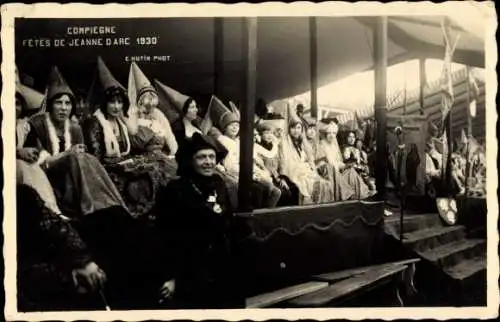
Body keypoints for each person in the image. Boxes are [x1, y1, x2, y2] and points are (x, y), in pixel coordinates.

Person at [154, 133, 247, 309]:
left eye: (211, 156)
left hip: (221, 265)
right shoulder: (176, 189)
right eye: (201, 157)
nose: (208, 162)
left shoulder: (218, 183)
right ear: (190, 161)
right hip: (190, 269)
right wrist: (171, 277)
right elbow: (165, 235)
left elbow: (227, 221)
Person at [84, 57, 177, 218]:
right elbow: (96, 159)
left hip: (125, 164)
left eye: (119, 102)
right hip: (106, 170)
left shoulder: (121, 121)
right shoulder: (95, 122)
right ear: (104, 102)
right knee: (139, 180)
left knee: (153, 172)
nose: (117, 106)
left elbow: (130, 144)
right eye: (112, 102)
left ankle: (153, 215)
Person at [17, 184, 107, 311]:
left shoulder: (21, 194)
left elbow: (56, 226)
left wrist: (84, 263)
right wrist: (65, 274)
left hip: (54, 266)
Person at [155, 80, 240, 208]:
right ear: (184, 109)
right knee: (228, 185)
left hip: (206, 164)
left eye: (196, 106)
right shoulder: (178, 127)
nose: (196, 110)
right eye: (192, 107)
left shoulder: (197, 124)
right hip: (192, 167)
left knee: (231, 183)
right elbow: (180, 150)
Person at [206, 95, 281, 208]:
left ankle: (266, 214)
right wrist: (251, 175)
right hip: (238, 175)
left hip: (252, 172)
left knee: (276, 191)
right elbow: (230, 165)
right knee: (259, 190)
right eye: (231, 125)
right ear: (225, 127)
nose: (235, 128)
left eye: (237, 125)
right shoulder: (222, 141)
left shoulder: (239, 141)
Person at [279, 115, 335, 205]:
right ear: (289, 129)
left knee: (325, 184)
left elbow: (308, 159)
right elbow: (283, 161)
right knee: (307, 184)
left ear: (301, 130)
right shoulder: (285, 142)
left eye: (298, 128)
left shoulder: (301, 142)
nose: (296, 130)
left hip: (303, 170)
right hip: (292, 171)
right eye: (293, 128)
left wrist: (313, 168)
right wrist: (282, 177)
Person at [256, 119, 299, 206]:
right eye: (266, 133)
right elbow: (262, 167)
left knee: (294, 189)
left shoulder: (275, 146)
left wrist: (281, 178)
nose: (269, 136)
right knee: (283, 193)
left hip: (277, 176)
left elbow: (279, 165)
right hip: (266, 177)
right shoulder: (257, 147)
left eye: (271, 133)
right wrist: (277, 179)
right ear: (261, 134)